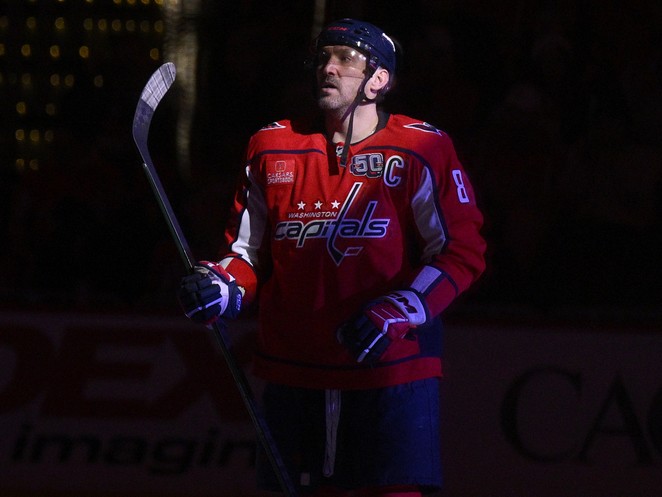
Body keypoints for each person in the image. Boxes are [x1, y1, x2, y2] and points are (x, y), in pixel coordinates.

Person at [178, 18, 486, 497]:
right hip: (292, 373)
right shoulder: (271, 147)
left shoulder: (422, 147)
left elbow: (460, 251)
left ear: (379, 80)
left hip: (391, 372)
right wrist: (221, 285)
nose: (329, 67)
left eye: (346, 58)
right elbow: (246, 255)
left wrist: (402, 308)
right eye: (323, 57)